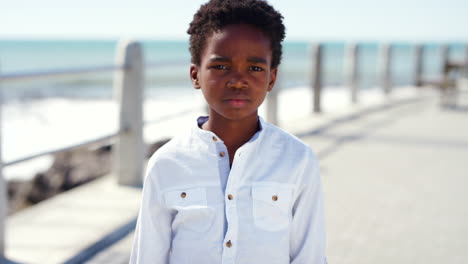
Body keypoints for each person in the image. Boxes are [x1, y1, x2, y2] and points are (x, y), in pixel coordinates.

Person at [129, 0, 326, 263]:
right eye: (220, 66)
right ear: (195, 75)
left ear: (272, 78)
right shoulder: (166, 164)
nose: (237, 80)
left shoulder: (298, 160)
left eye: (255, 68)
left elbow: (309, 256)